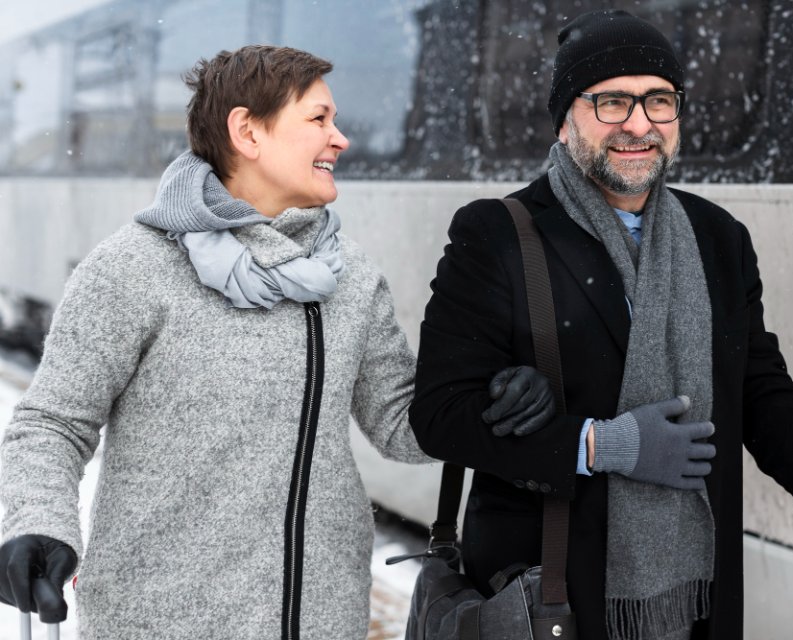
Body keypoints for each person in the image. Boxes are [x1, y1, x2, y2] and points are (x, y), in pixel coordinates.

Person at [0, 45, 550, 639]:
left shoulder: (348, 277)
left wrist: (487, 401)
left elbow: (400, 422)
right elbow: (54, 422)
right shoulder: (132, 269)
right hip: (158, 621)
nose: (341, 139)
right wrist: (38, 522)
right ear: (247, 132)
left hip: (321, 620)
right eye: (318, 119)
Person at [409, 10, 793, 640]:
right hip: (551, 592)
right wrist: (597, 445)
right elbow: (439, 415)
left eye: (658, 100)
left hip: (694, 597)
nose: (638, 124)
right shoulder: (497, 233)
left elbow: (755, 384)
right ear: (566, 120)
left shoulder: (717, 237)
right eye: (611, 102)